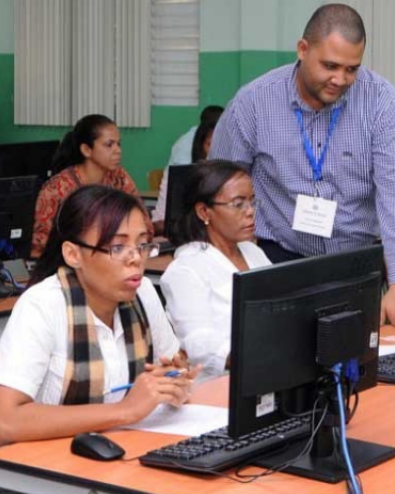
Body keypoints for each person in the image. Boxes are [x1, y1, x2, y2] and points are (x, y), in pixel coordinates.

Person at [209, 3, 395, 329]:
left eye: (351, 69)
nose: (340, 79)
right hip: (277, 256)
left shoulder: (381, 101)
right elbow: (218, 183)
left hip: (353, 259)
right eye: (330, 65)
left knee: (357, 367)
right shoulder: (254, 102)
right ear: (302, 49)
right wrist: (228, 261)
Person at [0, 185, 195, 494]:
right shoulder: (42, 305)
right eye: (117, 246)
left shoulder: (143, 295)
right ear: (73, 254)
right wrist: (126, 410)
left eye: (142, 244)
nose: (135, 258)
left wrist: (173, 383)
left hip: (115, 469)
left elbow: (172, 366)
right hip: (34, 489)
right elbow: (3, 422)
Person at [159, 161, 270, 377]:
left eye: (252, 202)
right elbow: (199, 344)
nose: (250, 212)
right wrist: (264, 355)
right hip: (218, 387)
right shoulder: (185, 269)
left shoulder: (253, 252)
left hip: (267, 376)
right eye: (238, 204)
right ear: (203, 211)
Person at [31, 115, 140, 258]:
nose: (118, 150)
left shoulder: (119, 177)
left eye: (118, 144)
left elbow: (141, 219)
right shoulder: (57, 188)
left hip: (113, 256)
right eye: (109, 145)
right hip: (68, 262)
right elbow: (40, 243)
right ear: (86, 150)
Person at [152, 117, 216, 235]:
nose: (214, 151)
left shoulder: (234, 178)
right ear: (201, 146)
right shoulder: (183, 174)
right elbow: (161, 220)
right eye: (209, 145)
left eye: (219, 145)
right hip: (183, 233)